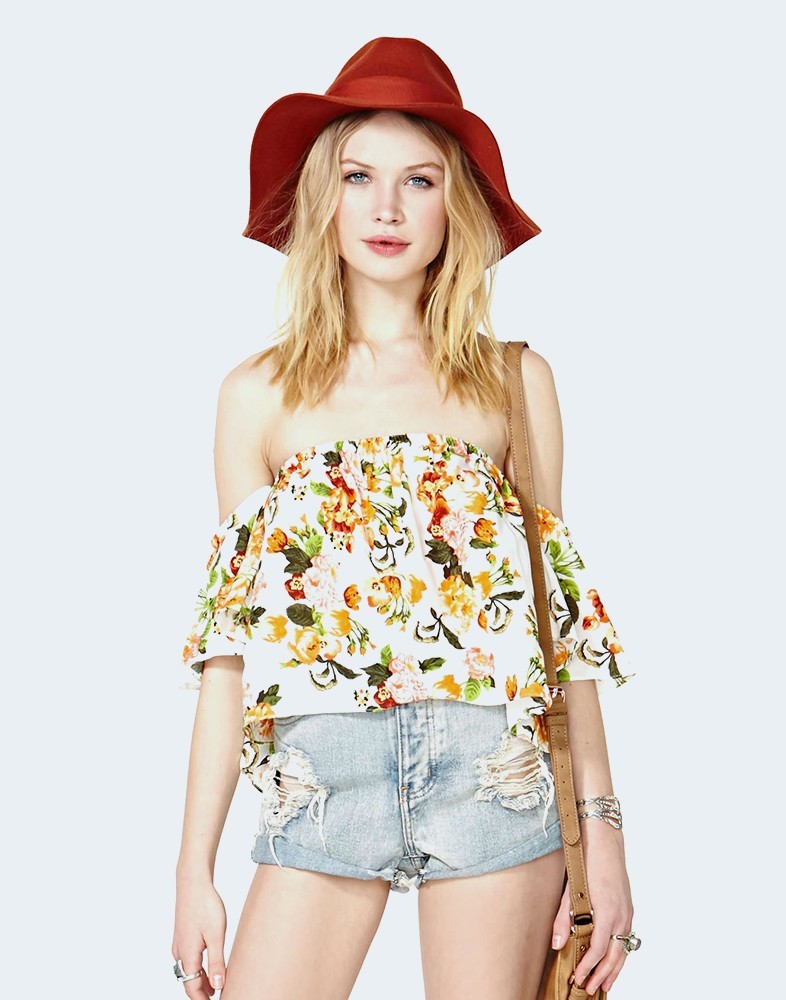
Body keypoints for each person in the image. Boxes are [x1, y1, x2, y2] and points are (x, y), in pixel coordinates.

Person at [172, 37, 639, 1000]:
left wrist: (605, 838)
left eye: (418, 180)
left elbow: (561, 635)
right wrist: (193, 869)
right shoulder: (256, 396)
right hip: (322, 782)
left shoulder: (513, 382)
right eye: (359, 176)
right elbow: (228, 652)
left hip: (493, 777)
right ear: (324, 197)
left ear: (452, 205)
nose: (386, 208)